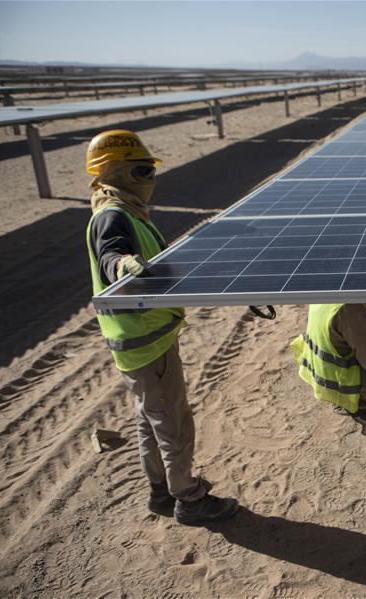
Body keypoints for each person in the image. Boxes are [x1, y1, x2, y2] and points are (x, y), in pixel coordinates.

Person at [85, 129, 238, 526]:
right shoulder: (113, 215)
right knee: (173, 423)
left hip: (138, 342)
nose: (149, 179)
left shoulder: (127, 210)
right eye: (141, 170)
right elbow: (110, 257)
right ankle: (189, 499)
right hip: (146, 343)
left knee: (150, 418)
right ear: (115, 171)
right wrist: (123, 267)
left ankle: (159, 491)